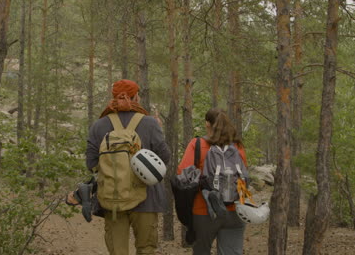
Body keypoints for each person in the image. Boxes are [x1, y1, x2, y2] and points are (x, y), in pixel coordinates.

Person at [85, 79, 170, 255]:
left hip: (113, 199)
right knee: (146, 250)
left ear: (113, 97)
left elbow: (91, 164)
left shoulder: (99, 125)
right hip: (147, 199)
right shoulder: (150, 123)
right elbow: (165, 158)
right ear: (136, 97)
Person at [177, 108, 248, 255]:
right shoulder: (237, 147)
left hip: (205, 211)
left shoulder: (197, 144)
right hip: (235, 212)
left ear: (207, 124)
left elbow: (183, 174)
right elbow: (244, 175)